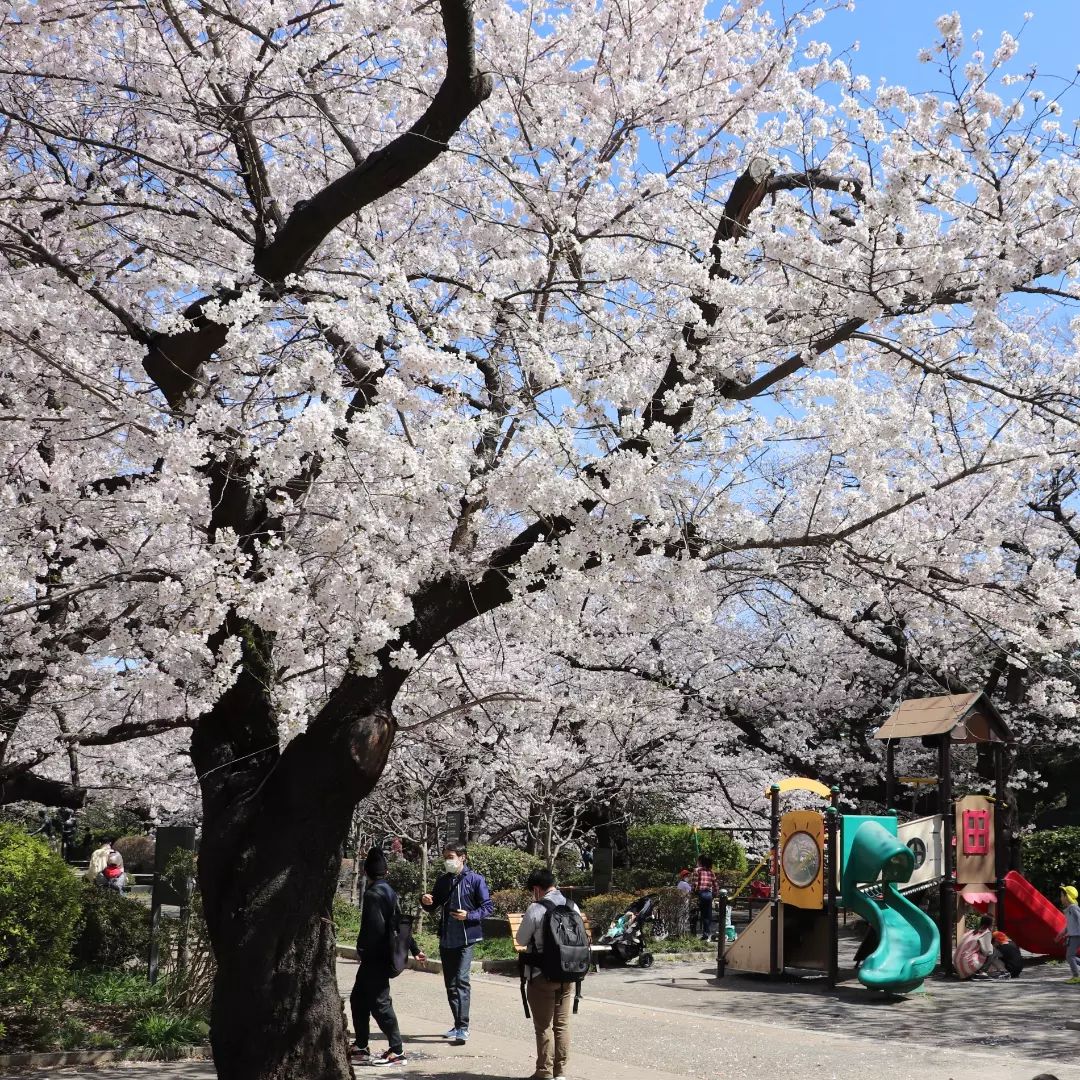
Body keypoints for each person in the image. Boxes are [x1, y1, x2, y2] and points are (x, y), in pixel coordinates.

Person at [349, 847, 425, 1067]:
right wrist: (415, 949)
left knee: (380, 1003)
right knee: (359, 1000)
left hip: (376, 957)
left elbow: (373, 929)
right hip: (384, 955)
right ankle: (362, 1046)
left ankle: (397, 1050)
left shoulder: (373, 894)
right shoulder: (389, 891)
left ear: (365, 871)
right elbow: (399, 923)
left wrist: (362, 950)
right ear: (387, 872)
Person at [420, 843, 493, 1043]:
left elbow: (488, 907)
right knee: (450, 984)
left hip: (466, 939)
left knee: (461, 981)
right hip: (447, 938)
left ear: (463, 857)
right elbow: (433, 904)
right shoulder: (443, 881)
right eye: (445, 857)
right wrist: (425, 901)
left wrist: (469, 915)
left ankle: (463, 1027)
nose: (447, 861)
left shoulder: (476, 880)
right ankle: (457, 1023)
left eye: (450, 856)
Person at [516, 868, 580, 1080]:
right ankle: (560, 1072)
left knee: (543, 1026)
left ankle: (544, 1072)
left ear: (536, 889)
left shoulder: (536, 908)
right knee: (561, 1025)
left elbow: (522, 940)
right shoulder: (572, 906)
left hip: (541, 975)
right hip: (568, 974)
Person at [689, 854, 717, 942]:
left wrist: (693, 892)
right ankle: (706, 934)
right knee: (707, 916)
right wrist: (714, 894)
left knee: (694, 914)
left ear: (700, 861)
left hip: (700, 894)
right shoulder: (711, 872)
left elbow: (695, 884)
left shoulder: (697, 870)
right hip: (708, 894)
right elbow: (715, 885)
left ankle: (693, 934)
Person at [1056, 885, 1080, 982]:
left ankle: (1076, 977)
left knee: (1070, 956)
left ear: (1067, 897)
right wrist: (1062, 933)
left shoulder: (1073, 908)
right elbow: (1070, 924)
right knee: (1071, 956)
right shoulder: (1070, 909)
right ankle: (1076, 976)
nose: (1061, 898)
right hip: (1073, 935)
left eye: (1062, 896)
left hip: (1076, 936)